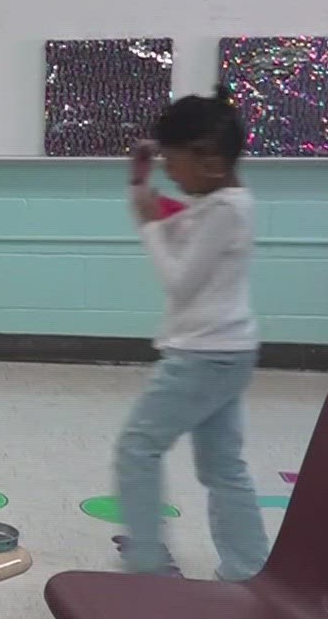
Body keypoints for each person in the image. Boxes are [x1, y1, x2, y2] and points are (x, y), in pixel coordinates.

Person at [114, 92, 270, 580]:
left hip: (203, 357)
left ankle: (149, 565)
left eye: (174, 162)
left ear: (211, 160)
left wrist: (147, 228)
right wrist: (142, 187)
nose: (172, 173)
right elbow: (175, 222)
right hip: (226, 352)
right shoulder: (220, 204)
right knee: (223, 467)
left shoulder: (226, 210)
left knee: (137, 448)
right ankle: (248, 569)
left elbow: (179, 281)